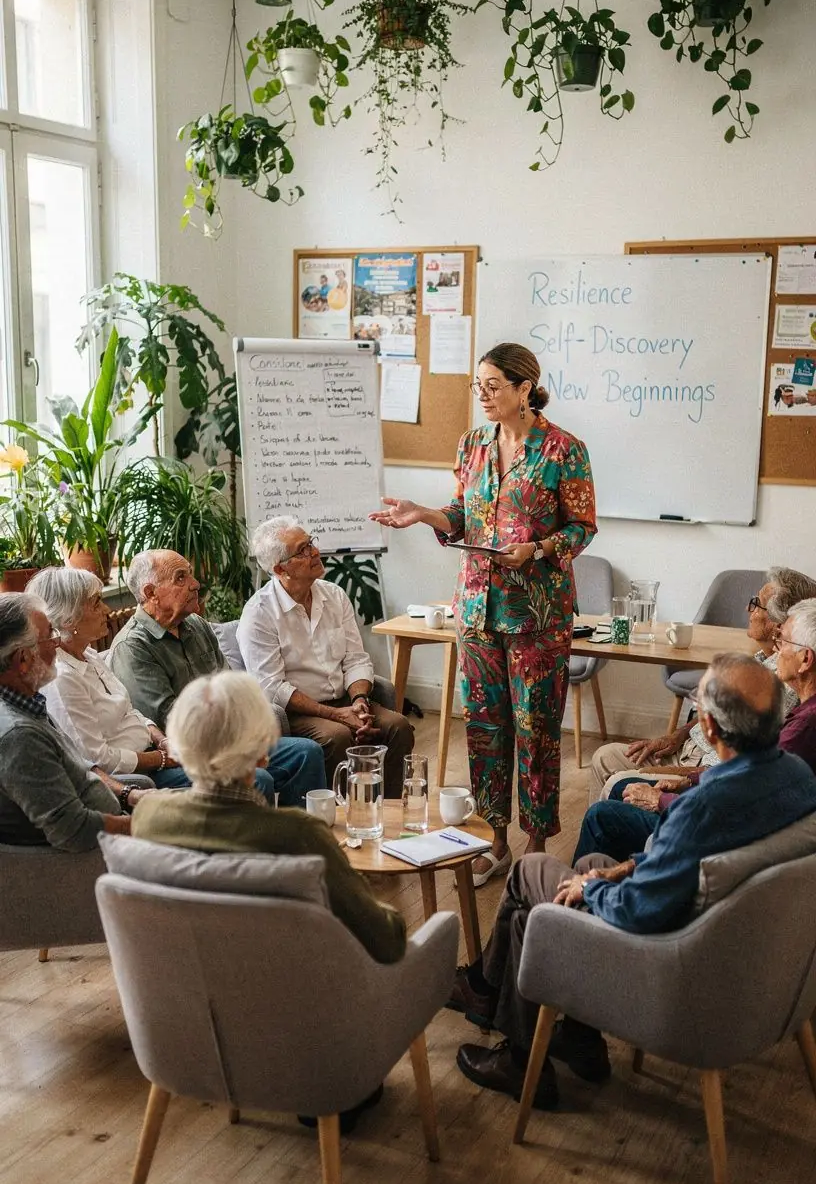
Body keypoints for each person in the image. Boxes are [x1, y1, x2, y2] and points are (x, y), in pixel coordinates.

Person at [449, 654, 816, 1110]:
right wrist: (622, 869)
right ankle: (577, 1039)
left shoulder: (701, 808)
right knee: (595, 861)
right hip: (736, 951)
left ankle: (516, 1049)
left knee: (530, 876)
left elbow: (639, 908)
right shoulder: (797, 777)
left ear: (708, 727)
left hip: (666, 961)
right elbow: (698, 858)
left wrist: (594, 888)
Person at [370, 341, 597, 885]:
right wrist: (424, 514)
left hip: (537, 614)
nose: (483, 395)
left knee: (537, 728)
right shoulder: (472, 444)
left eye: (493, 386)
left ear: (525, 389)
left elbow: (582, 527)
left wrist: (537, 549)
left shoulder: (564, 449)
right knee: (485, 728)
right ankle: (495, 839)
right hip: (476, 608)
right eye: (479, 386)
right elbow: (462, 515)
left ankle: (536, 845)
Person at [133, 672, 406, 965]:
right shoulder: (299, 834)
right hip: (290, 985)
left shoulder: (148, 817)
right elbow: (386, 941)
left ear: (179, 746)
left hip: (186, 985)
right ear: (263, 752)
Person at [573, 598, 816, 864]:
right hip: (718, 807)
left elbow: (736, 803)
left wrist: (662, 799)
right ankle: (612, 870)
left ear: (805, 659)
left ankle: (602, 879)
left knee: (603, 813)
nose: (778, 648)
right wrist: (689, 779)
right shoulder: (803, 714)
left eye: (784, 641)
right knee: (614, 784)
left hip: (720, 841)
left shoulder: (801, 728)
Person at [109, 550, 325, 807]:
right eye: (181, 578)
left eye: (190, 575)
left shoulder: (196, 625)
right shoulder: (132, 647)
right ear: (150, 593)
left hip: (226, 741)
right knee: (256, 778)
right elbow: (168, 719)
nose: (195, 584)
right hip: (180, 757)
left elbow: (230, 686)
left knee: (306, 752)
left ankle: (299, 830)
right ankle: (263, 834)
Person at [588, 566, 816, 803]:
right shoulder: (760, 662)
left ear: (780, 623)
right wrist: (675, 736)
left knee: (619, 781)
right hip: (685, 750)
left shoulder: (782, 684)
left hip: (700, 769)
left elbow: (729, 768)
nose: (748, 609)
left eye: (757, 603)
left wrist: (659, 774)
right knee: (604, 757)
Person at [237, 518, 414, 798]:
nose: (315, 552)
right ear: (280, 569)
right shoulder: (259, 614)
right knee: (337, 736)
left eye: (311, 543)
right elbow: (273, 688)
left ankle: (388, 812)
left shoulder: (334, 596)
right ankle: (340, 817)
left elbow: (355, 658)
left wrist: (359, 702)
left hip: (346, 700)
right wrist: (337, 715)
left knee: (397, 727)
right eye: (303, 550)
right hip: (299, 713)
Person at [29, 567, 190, 789]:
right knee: (230, 777)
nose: (106, 609)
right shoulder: (63, 678)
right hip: (139, 775)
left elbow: (129, 711)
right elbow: (97, 759)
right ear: (68, 618)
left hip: (154, 755)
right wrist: (163, 759)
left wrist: (162, 740)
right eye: (96, 603)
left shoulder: (89, 655)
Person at [0, 593, 131, 850]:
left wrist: (129, 794)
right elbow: (73, 831)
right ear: (23, 659)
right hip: (96, 855)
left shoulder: (26, 701)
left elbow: (79, 765)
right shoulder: (19, 736)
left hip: (113, 830)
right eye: (50, 636)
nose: (57, 644)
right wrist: (141, 824)